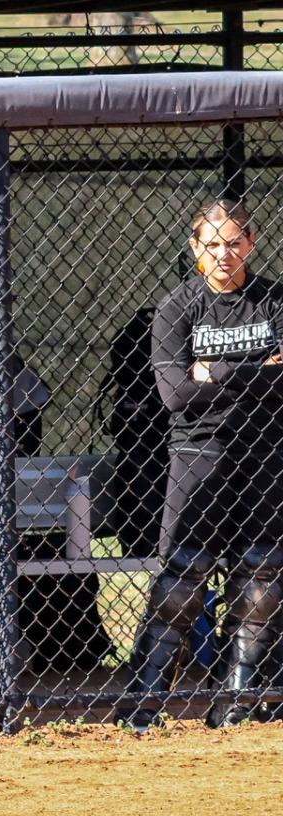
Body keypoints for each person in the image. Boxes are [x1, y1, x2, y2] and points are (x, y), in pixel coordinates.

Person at [119, 198, 283, 730]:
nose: (223, 254)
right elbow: (174, 395)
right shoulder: (177, 307)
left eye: (234, 243)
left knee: (260, 575)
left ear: (251, 244)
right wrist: (258, 371)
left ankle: (234, 701)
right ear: (195, 248)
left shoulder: (274, 300)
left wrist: (217, 372)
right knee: (183, 575)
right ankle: (144, 700)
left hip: (265, 452)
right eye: (211, 244)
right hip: (198, 453)